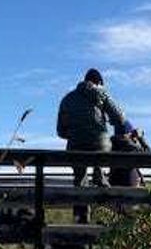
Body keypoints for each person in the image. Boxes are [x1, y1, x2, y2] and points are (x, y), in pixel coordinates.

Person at [56, 69, 132, 221]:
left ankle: (81, 218)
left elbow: (60, 131)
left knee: (80, 179)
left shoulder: (67, 99)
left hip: (76, 146)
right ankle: (101, 180)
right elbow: (120, 118)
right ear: (99, 83)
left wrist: (75, 134)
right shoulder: (101, 93)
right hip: (101, 145)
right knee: (101, 154)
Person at [109, 121, 144, 188]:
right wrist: (140, 138)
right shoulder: (130, 146)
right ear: (128, 132)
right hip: (129, 182)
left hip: (113, 181)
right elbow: (147, 152)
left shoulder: (111, 144)